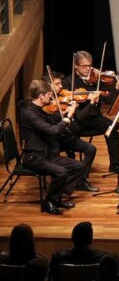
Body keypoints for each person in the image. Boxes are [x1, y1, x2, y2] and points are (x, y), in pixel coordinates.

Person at [21, 80, 86, 215]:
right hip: (34, 156)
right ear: (42, 96)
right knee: (61, 172)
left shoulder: (40, 110)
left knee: (79, 167)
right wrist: (67, 117)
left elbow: (53, 119)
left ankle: (57, 197)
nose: (51, 98)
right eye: (49, 95)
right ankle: (49, 202)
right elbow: (52, 130)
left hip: (47, 155)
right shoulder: (29, 114)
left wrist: (68, 110)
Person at [62, 50, 119, 175]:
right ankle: (74, 169)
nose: (88, 69)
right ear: (76, 66)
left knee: (113, 127)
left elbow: (108, 100)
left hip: (94, 118)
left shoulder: (96, 80)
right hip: (78, 119)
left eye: (89, 66)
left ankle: (115, 165)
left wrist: (116, 87)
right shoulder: (68, 82)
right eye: (84, 66)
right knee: (69, 132)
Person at [42, 71, 99, 192]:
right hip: (51, 140)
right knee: (61, 154)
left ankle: (81, 180)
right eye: (57, 84)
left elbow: (77, 118)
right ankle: (61, 186)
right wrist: (65, 113)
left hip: (64, 136)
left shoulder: (61, 99)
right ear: (48, 86)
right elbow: (50, 124)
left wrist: (69, 111)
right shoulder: (44, 103)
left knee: (91, 149)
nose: (61, 86)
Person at [49, 221, 117, 281]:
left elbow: (54, 277)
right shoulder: (104, 258)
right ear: (90, 240)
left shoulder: (58, 258)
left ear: (72, 238)